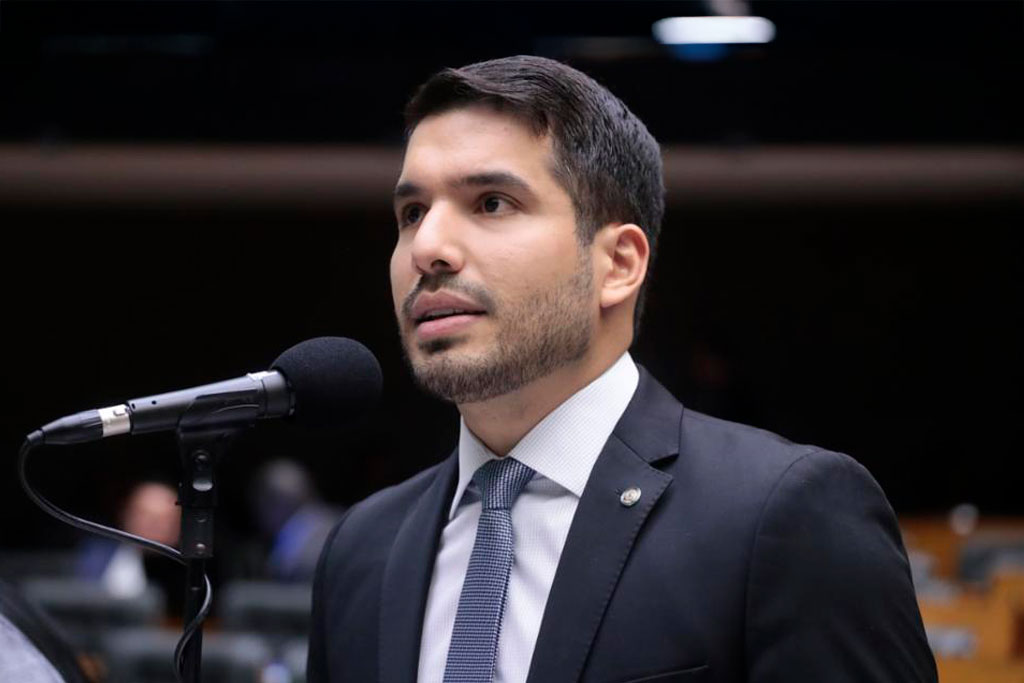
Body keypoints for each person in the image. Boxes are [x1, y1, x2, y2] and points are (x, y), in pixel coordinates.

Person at [308, 55, 936, 682]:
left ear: (619, 264)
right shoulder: (360, 550)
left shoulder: (785, 515)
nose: (426, 248)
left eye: (491, 203)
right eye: (412, 213)